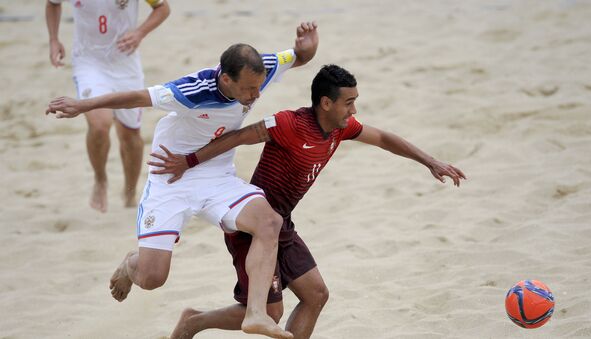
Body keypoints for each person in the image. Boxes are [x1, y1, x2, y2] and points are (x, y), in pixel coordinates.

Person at [147, 64, 467, 339]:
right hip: (254, 226)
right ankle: (195, 321)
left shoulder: (340, 129)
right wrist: (187, 161)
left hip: (282, 223)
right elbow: (238, 136)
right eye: (349, 103)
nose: (353, 111)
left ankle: (196, 319)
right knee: (270, 313)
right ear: (326, 103)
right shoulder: (289, 124)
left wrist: (430, 162)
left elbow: (383, 138)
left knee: (316, 295)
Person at [46, 22, 319, 339]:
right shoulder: (193, 90)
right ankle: (129, 264)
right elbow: (137, 97)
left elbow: (297, 57)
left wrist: (307, 46)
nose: (255, 95)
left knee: (270, 221)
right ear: (226, 79)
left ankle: (256, 313)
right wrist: (83, 105)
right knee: (151, 277)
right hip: (170, 176)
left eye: (258, 87)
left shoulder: (264, 67)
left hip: (215, 173)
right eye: (247, 89)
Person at [45, 0, 170, 213]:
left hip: (125, 63)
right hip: (88, 62)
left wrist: (140, 33)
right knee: (100, 125)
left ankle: (130, 193)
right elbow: (52, 3)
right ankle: (100, 179)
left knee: (130, 135)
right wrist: (54, 39)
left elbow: (163, 8)